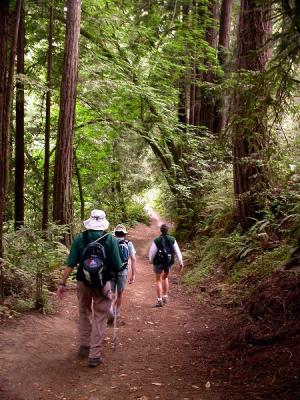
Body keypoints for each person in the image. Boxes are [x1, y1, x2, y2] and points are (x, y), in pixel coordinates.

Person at [57, 209, 122, 368]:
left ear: (90, 221)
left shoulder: (80, 238)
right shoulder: (111, 240)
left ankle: (84, 346)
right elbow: (118, 265)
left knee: (84, 311)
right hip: (102, 283)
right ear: (103, 223)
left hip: (82, 282)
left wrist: (62, 283)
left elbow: (70, 263)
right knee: (100, 316)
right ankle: (94, 355)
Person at [149, 223, 183, 307]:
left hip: (158, 262)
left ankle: (159, 300)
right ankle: (165, 296)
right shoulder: (172, 239)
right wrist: (181, 262)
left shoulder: (157, 240)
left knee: (158, 279)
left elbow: (152, 252)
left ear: (161, 230)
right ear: (168, 230)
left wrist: (150, 260)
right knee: (165, 277)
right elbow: (177, 251)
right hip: (168, 262)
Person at [108, 224, 136, 323]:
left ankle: (110, 309)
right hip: (123, 271)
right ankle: (116, 312)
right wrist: (133, 275)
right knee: (120, 294)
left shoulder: (111, 242)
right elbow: (133, 259)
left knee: (111, 293)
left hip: (111, 271)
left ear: (115, 233)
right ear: (124, 233)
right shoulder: (128, 243)